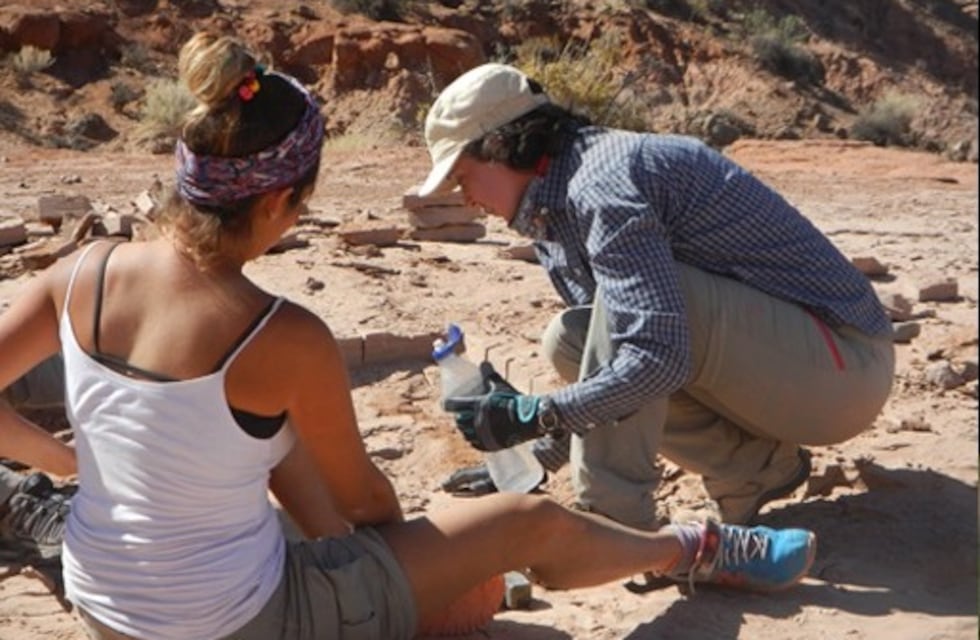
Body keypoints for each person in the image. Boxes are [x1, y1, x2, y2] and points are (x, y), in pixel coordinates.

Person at [0, 34, 818, 640]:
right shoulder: (279, 335)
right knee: (509, 540)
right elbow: (365, 502)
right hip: (232, 623)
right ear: (285, 201)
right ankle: (694, 548)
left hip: (104, 601)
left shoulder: (82, 271)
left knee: (268, 443)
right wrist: (406, 546)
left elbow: (279, 462)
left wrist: (68, 463)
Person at [420, 63, 895, 531]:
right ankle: (753, 470)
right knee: (572, 338)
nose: (465, 199)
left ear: (502, 146)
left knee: (640, 321)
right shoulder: (553, 206)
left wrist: (538, 414)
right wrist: (533, 458)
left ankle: (616, 524)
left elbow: (655, 356)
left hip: (846, 369)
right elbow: (608, 363)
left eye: (462, 177)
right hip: (795, 369)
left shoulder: (603, 186)